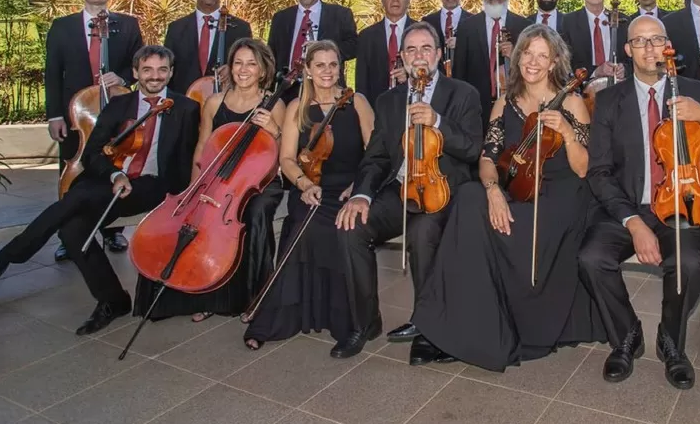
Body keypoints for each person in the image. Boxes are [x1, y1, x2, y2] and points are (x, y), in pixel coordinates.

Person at [0, 46, 198, 336]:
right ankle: (113, 300)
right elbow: (92, 153)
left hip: (154, 184)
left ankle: (2, 261)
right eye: (147, 69)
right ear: (135, 73)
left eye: (161, 70)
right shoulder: (120, 105)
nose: (154, 76)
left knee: (78, 196)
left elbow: (190, 159)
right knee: (72, 230)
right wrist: (115, 173)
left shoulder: (185, 108)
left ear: (171, 72)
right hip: (113, 181)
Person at [412, 24, 601, 370]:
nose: (532, 61)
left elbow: (584, 169)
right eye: (527, 53)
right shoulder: (504, 102)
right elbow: (487, 159)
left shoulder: (571, 100)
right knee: (469, 197)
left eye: (542, 55)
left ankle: (471, 327)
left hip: (559, 198)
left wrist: (568, 133)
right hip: (516, 189)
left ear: (554, 60)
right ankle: (450, 326)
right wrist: (493, 190)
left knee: (493, 224)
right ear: (517, 56)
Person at [578, 15, 700, 390]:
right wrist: (632, 222)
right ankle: (627, 335)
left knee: (689, 263)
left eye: (656, 40)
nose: (650, 49)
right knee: (591, 258)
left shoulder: (695, 91)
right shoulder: (609, 99)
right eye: (640, 41)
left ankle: (671, 340)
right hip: (626, 207)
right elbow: (599, 172)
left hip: (682, 204)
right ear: (628, 50)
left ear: (668, 46)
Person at [335, 22, 484, 362]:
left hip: (441, 189)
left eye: (426, 48)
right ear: (401, 58)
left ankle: (429, 325)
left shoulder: (463, 94)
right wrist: (362, 195)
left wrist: (438, 122)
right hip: (399, 189)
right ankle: (365, 322)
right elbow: (374, 158)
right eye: (411, 50)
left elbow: (473, 149)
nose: (419, 56)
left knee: (423, 231)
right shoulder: (388, 101)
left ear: (439, 54)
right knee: (351, 228)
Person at [133, 38, 286, 350]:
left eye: (251, 64)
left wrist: (274, 128)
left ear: (262, 70)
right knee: (197, 221)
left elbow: (281, 154)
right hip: (213, 183)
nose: (243, 70)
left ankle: (252, 298)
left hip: (258, 182)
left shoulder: (275, 104)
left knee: (254, 213)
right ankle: (198, 294)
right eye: (238, 63)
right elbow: (203, 149)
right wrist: (193, 190)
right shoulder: (215, 102)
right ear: (230, 66)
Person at [243, 40, 375, 355]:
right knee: (299, 230)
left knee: (340, 232)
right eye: (320, 65)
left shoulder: (356, 103)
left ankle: (349, 322)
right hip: (311, 188)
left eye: (332, 64)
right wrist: (303, 185)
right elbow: (287, 159)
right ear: (309, 71)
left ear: (340, 68)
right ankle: (275, 319)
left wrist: (358, 186)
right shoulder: (296, 108)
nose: (327, 71)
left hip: (349, 189)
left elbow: (375, 155)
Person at [45, 0, 144, 261]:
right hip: (76, 116)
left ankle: (111, 231)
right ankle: (68, 235)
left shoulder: (128, 24)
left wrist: (123, 78)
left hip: (113, 111)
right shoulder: (62, 26)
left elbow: (138, 64)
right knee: (72, 172)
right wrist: (54, 115)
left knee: (111, 168)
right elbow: (52, 73)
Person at [450, 0, 530, 124]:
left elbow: (533, 67)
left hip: (517, 106)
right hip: (476, 109)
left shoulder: (524, 26)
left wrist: (515, 55)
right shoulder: (467, 27)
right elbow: (459, 73)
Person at [163, 0, 253, 95]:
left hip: (225, 98)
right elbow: (167, 65)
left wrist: (232, 67)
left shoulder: (241, 28)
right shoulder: (176, 28)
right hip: (183, 99)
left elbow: (250, 62)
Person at [267, 0, 359, 85]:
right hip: (287, 89)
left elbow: (354, 46)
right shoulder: (281, 18)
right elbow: (271, 55)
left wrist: (323, 48)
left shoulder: (340, 14)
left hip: (326, 86)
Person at [560, 0, 628, 90]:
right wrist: (596, 71)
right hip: (583, 91)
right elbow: (565, 61)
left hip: (620, 88)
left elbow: (634, 57)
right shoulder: (568, 22)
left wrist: (625, 69)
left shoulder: (624, 21)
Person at [355, 0, 413, 104]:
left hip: (413, 104)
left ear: (408, 0)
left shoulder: (421, 32)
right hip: (377, 107)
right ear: (382, 0)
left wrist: (410, 75)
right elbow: (361, 81)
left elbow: (434, 71)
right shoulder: (367, 36)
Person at [421, 0, 464, 74]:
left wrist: (461, 44)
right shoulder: (427, 21)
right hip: (436, 79)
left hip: (464, 80)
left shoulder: (473, 20)